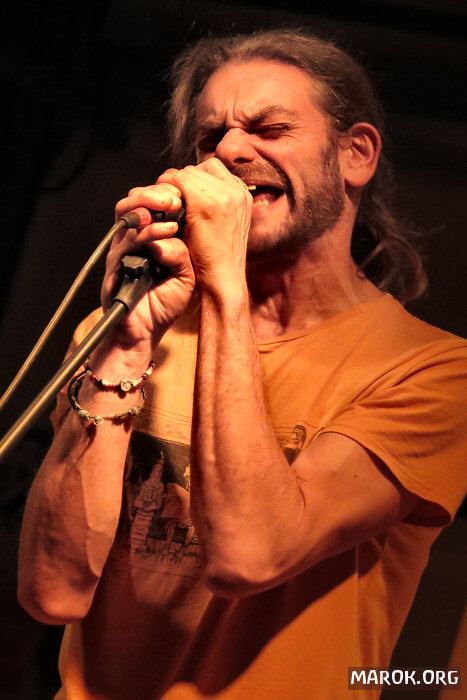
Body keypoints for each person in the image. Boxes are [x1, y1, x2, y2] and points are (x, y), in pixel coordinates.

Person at [17, 29, 467, 699]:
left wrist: (224, 283)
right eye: (209, 139)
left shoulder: (433, 371)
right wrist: (126, 344)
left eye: (268, 129)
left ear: (355, 154)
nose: (228, 153)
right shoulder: (128, 332)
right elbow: (53, 592)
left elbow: (251, 555)